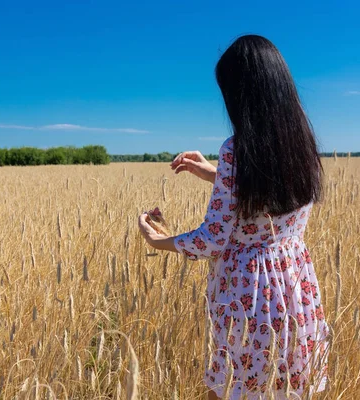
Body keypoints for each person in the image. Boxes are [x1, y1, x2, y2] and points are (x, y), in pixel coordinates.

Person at [138, 35, 330, 399]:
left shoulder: (237, 150)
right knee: (285, 383)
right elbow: (273, 196)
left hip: (248, 292)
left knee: (232, 387)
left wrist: (156, 240)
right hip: (294, 283)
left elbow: (212, 240)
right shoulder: (301, 140)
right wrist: (215, 173)